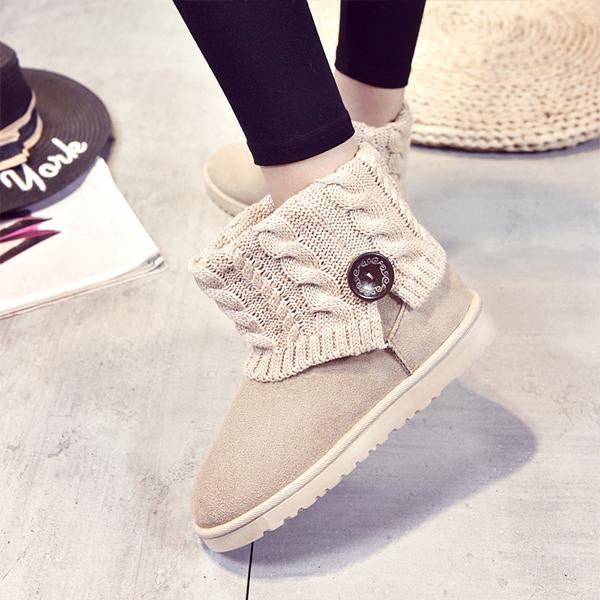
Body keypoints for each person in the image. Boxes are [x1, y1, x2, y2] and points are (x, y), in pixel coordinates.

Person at [173, 0, 494, 553]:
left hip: (366, 310)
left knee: (304, 149)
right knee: (325, 121)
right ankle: (355, 143)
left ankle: (355, 257)